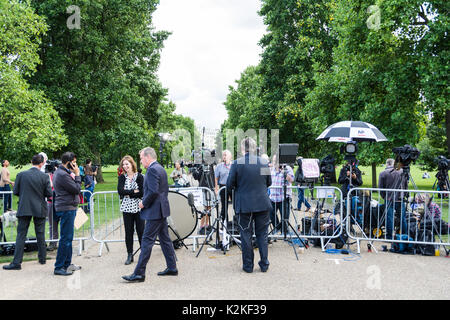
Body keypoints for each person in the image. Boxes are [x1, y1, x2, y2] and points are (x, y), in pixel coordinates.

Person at [122, 147, 177, 283]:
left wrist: (143, 203)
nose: (140, 161)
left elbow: (153, 191)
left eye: (141, 158)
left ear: (147, 157)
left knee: (146, 241)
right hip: (161, 210)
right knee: (165, 240)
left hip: (154, 211)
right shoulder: (160, 168)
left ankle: (139, 273)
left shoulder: (152, 170)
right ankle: (172, 267)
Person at [226, 137, 272, 273]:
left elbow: (230, 184)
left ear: (242, 148)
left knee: (245, 234)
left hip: (244, 204)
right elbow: (268, 182)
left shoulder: (237, 163)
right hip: (262, 203)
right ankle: (264, 264)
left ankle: (248, 266)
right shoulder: (263, 163)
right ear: (254, 147)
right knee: (262, 235)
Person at [3, 154, 52, 270]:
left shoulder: (21, 175)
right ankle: (42, 258)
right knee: (40, 234)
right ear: (41, 164)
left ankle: (16, 262)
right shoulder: (44, 177)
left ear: (31, 162)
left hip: (25, 207)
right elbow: (49, 193)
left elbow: (15, 191)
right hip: (39, 207)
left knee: (21, 235)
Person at [52, 152, 82, 276]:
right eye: (74, 162)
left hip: (68, 207)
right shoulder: (62, 174)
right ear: (68, 162)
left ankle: (67, 264)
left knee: (68, 237)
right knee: (65, 238)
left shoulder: (62, 173)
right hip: (66, 208)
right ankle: (59, 266)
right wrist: (78, 175)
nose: (75, 165)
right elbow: (76, 189)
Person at [117, 155, 144, 265]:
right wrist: (134, 192)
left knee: (141, 231)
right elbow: (120, 191)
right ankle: (129, 254)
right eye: (123, 164)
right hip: (127, 207)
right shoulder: (122, 177)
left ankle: (143, 254)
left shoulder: (140, 177)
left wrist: (128, 192)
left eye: (127, 164)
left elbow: (142, 192)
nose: (125, 166)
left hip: (139, 207)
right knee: (128, 232)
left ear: (132, 164)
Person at [378, 159, 408, 239]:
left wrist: (384, 196)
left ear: (386, 164)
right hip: (400, 198)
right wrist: (403, 194)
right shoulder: (402, 172)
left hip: (389, 198)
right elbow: (406, 186)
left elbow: (380, 188)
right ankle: (405, 236)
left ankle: (389, 236)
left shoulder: (383, 173)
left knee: (389, 218)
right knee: (402, 218)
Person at [269, 154, 295, 234]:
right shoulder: (271, 169)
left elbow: (292, 180)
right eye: (273, 161)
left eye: (276, 161)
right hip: (273, 197)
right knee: (271, 215)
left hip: (284, 197)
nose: (274, 162)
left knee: (285, 217)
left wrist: (283, 171)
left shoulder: (287, 168)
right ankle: (277, 228)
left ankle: (285, 232)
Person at [214, 150, 232, 222]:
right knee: (224, 206)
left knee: (236, 206)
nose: (224, 156)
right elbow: (216, 178)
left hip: (232, 187)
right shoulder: (219, 166)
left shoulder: (233, 165)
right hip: (223, 187)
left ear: (230, 157)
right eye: (223, 155)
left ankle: (236, 224)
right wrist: (216, 188)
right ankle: (225, 224)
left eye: (225, 155)